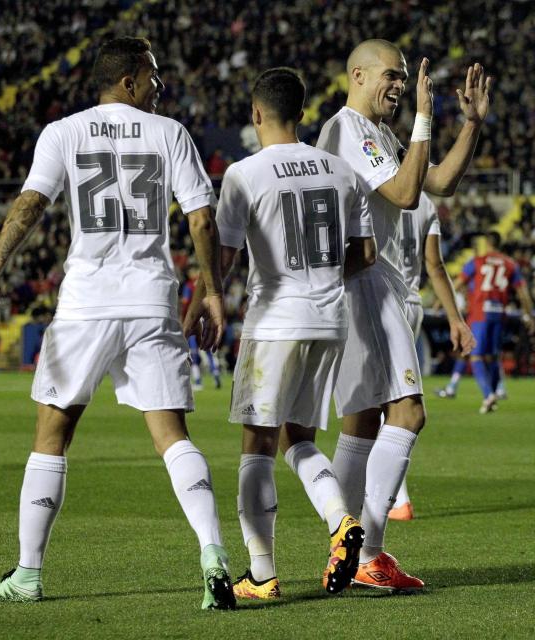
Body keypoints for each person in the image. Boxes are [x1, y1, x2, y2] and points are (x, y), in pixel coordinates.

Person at [0, 37, 235, 609]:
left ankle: (27, 573)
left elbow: (28, 205)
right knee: (173, 437)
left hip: (86, 304)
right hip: (151, 301)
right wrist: (212, 291)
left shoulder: (63, 133)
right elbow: (201, 220)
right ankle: (213, 552)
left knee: (51, 436)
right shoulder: (169, 134)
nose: (159, 86)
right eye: (153, 76)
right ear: (128, 81)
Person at [185, 68, 377, 600]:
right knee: (301, 439)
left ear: (255, 114)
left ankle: (263, 573)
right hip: (330, 320)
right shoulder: (341, 172)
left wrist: (204, 299)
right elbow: (366, 255)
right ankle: (341, 520)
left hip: (274, 321)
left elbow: (220, 257)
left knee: (257, 444)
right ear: (302, 112)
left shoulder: (244, 174)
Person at [316, 39, 490, 591]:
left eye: (402, 77)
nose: (397, 84)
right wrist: (421, 118)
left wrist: (471, 126)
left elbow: (438, 183)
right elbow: (406, 191)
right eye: (390, 76)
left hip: (373, 282)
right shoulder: (346, 129)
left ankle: (344, 549)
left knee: (364, 420)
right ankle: (368, 551)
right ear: (359, 75)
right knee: (409, 413)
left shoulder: (379, 134)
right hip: (367, 281)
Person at [390, 193, 475, 521]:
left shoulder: (377, 188)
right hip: (413, 304)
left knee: (378, 407)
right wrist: (456, 318)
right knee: (394, 401)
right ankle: (390, 495)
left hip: (381, 300)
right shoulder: (424, 201)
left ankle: (395, 499)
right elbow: (435, 265)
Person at [458, 231, 535, 414]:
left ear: (487, 243)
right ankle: (492, 393)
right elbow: (523, 294)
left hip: (479, 313)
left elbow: (457, 283)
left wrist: (442, 303)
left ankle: (488, 395)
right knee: (493, 356)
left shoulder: (477, 261)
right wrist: (529, 315)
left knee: (476, 356)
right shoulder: (510, 264)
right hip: (499, 314)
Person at [181, 265, 222, 391]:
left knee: (193, 351)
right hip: (206, 318)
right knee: (208, 350)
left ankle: (198, 381)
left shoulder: (189, 286)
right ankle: (216, 376)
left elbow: (185, 302)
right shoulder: (205, 284)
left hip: (194, 319)